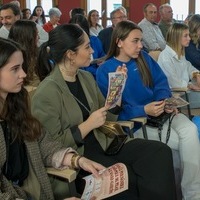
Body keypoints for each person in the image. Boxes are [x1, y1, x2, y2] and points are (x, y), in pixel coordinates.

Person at [31, 23, 177, 200]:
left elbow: (107, 114)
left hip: (104, 141)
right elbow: (51, 145)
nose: (93, 50)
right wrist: (87, 125)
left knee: (159, 152)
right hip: (79, 156)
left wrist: (118, 87)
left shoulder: (85, 77)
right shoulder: (47, 92)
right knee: (127, 178)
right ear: (70, 55)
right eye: (87, 47)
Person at [96, 20, 200, 200]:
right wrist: (143, 108)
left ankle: (193, 195)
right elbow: (114, 111)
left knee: (191, 130)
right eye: (135, 41)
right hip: (138, 122)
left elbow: (161, 82)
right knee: (180, 145)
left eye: (141, 40)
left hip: (161, 112)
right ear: (119, 42)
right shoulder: (106, 70)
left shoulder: (144, 58)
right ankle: (182, 193)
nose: (140, 45)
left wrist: (163, 101)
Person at [0, 37, 104, 200]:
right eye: (15, 69)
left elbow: (42, 142)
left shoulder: (16, 105)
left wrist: (77, 160)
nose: (24, 74)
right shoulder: (47, 90)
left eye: (22, 66)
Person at [158, 23, 200, 109]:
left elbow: (188, 67)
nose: (189, 38)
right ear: (176, 37)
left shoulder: (179, 52)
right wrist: (190, 86)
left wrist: (196, 74)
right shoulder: (166, 57)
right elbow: (175, 84)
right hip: (175, 98)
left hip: (184, 93)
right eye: (186, 36)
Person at [69, 14, 105, 79]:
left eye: (79, 30)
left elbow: (102, 56)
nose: (77, 34)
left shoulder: (94, 40)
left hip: (96, 76)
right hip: (77, 77)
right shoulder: (68, 44)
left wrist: (103, 62)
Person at [8, 19, 40, 87]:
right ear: (28, 37)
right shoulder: (13, 58)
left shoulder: (33, 54)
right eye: (36, 34)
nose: (39, 38)